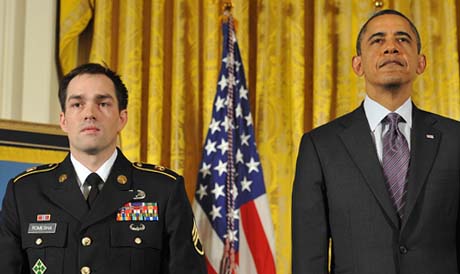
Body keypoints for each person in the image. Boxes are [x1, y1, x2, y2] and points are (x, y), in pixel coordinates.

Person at [292, 9, 460, 274]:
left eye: (403, 40)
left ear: (421, 63)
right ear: (357, 64)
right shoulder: (320, 146)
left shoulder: (455, 139)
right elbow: (308, 258)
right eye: (378, 40)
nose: (391, 48)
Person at [0, 63, 207, 274]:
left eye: (103, 103)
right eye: (77, 104)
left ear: (122, 118)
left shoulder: (164, 190)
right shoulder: (25, 192)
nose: (89, 113)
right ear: (63, 120)